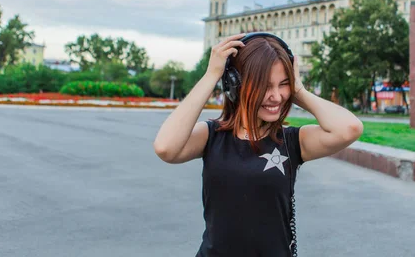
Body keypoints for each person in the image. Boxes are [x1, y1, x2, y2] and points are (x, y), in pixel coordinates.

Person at [153, 32, 364, 256]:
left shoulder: (292, 141)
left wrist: (298, 91)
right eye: (264, 86)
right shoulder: (212, 136)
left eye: (283, 84)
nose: (276, 96)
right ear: (235, 85)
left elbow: (350, 128)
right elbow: (166, 148)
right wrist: (211, 76)